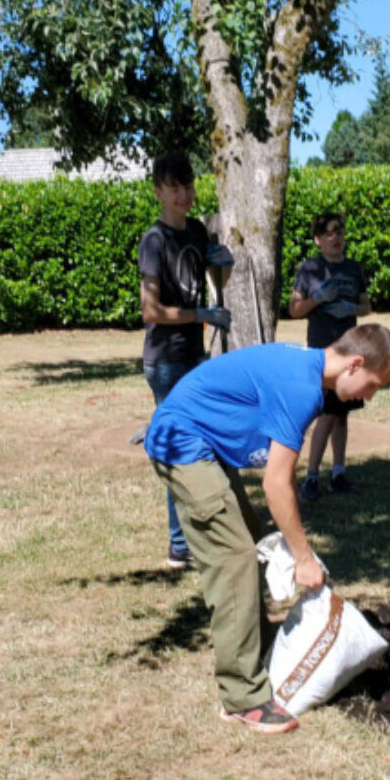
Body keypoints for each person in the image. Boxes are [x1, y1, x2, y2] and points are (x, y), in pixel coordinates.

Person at [143, 323, 390, 734]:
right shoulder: (301, 386)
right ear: (355, 364)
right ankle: (242, 698)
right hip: (183, 442)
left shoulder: (312, 378)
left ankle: (258, 654)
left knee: (247, 539)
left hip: (204, 443)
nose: (369, 398)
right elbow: (276, 482)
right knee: (233, 559)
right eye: (372, 385)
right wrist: (302, 557)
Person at [138, 151, 233, 569]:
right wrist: (201, 316)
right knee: (179, 446)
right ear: (159, 191)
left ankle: (197, 534)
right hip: (166, 361)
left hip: (195, 354)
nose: (185, 195)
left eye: (189, 186)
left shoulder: (196, 229)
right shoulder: (153, 241)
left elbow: (212, 282)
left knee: (201, 442)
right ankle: (180, 544)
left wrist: (223, 266)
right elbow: (150, 310)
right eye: (175, 188)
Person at [287, 213, 371, 500]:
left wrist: (351, 309)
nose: (335, 238)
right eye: (328, 234)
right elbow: (294, 309)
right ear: (318, 240)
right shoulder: (310, 269)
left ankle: (338, 472)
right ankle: (311, 478)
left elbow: (366, 306)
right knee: (327, 413)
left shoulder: (353, 268)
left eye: (339, 232)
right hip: (323, 353)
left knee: (342, 413)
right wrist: (318, 298)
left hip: (350, 350)